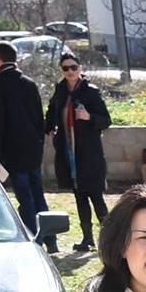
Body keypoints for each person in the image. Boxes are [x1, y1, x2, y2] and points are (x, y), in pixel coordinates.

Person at [0, 41, 52, 251]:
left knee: (25, 197)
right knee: (38, 194)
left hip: (13, 152)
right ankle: (51, 239)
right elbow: (39, 120)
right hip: (33, 149)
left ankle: (36, 239)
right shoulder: (29, 83)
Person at [46, 53, 112, 252]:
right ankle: (87, 239)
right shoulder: (60, 90)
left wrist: (88, 116)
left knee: (96, 197)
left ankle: (110, 239)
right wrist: (49, 127)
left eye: (73, 67)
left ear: (80, 68)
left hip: (89, 154)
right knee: (79, 197)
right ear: (61, 70)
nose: (70, 72)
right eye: (65, 68)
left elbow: (106, 120)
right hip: (68, 152)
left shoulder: (91, 92)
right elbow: (51, 110)